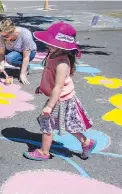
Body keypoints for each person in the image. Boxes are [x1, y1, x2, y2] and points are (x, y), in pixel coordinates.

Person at [23, 22, 95, 161]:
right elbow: (49, 77)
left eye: (52, 43)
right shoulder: (52, 54)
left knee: (47, 123)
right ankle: (87, 142)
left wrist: (49, 106)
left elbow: (58, 87)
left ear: (63, 46)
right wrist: (43, 87)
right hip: (60, 97)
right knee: (68, 125)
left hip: (61, 99)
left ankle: (44, 152)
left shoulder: (62, 63)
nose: (47, 45)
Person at [0, 19, 37, 84]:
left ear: (13, 31)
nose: (4, 38)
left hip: (28, 53)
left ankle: (24, 67)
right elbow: (1, 53)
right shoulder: (3, 36)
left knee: (10, 58)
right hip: (11, 49)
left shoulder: (25, 34)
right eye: (2, 35)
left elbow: (26, 57)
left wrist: (22, 74)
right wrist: (1, 64)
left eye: (6, 36)